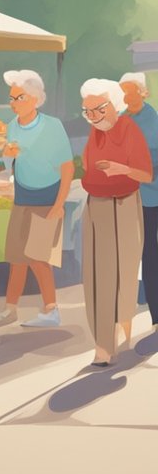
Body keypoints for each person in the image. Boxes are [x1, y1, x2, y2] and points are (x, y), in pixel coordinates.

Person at [0, 71, 74, 328]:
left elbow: (67, 168)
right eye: (11, 98)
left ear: (34, 98)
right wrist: (8, 155)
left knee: (39, 259)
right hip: (22, 198)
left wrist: (59, 205)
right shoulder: (12, 126)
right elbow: (11, 164)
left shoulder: (52, 126)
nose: (13, 103)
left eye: (18, 97)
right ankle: (10, 309)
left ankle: (51, 310)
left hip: (46, 200)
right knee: (17, 259)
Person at [79, 78, 151, 366]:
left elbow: (146, 175)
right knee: (95, 274)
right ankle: (104, 341)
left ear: (115, 104)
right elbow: (87, 164)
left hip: (124, 204)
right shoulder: (94, 133)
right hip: (95, 204)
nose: (94, 117)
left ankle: (117, 333)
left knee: (122, 270)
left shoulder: (129, 130)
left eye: (99, 109)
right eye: (88, 111)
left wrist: (121, 169)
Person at [120, 73, 158, 331]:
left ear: (143, 93)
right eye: (124, 91)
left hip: (151, 194)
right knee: (139, 253)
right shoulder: (123, 118)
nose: (126, 96)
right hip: (131, 196)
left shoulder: (152, 120)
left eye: (130, 91)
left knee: (151, 254)